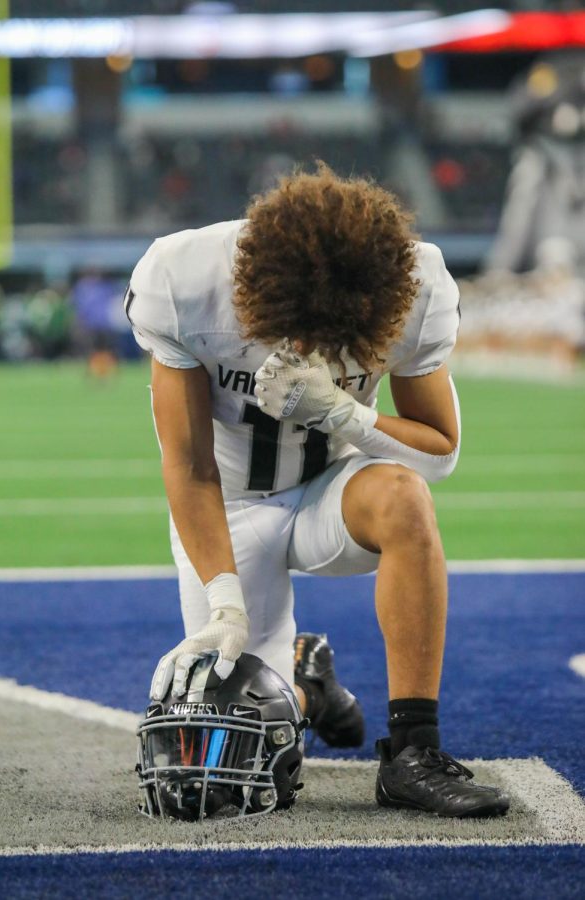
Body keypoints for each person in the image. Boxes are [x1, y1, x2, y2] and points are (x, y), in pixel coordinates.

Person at [125, 164, 509, 818]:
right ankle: (304, 683)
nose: (308, 350)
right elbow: (189, 465)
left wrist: (347, 415)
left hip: (336, 486)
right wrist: (225, 602)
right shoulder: (183, 279)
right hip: (232, 505)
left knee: (406, 499)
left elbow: (438, 453)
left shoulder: (413, 285)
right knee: (229, 767)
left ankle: (413, 752)